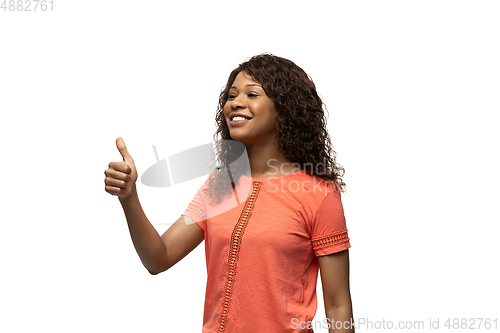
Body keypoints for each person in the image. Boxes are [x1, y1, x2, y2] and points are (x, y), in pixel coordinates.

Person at [104, 53, 354, 333]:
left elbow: (338, 307)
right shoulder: (219, 186)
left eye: (252, 94)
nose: (236, 102)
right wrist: (129, 197)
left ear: (285, 109)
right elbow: (158, 258)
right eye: (232, 95)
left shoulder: (318, 194)